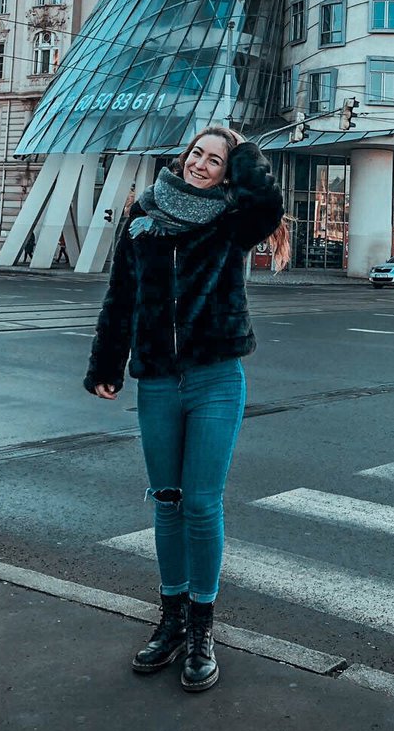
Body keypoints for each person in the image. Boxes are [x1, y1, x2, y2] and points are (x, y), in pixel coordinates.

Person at [84, 126, 287, 693]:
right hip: (157, 382)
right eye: (197, 153)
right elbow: (120, 296)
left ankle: (202, 627)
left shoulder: (231, 221)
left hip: (216, 379)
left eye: (214, 160)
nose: (201, 164)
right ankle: (170, 620)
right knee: (167, 502)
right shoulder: (144, 215)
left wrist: (243, 148)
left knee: (201, 503)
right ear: (183, 156)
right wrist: (106, 365)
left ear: (226, 172)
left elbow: (267, 204)